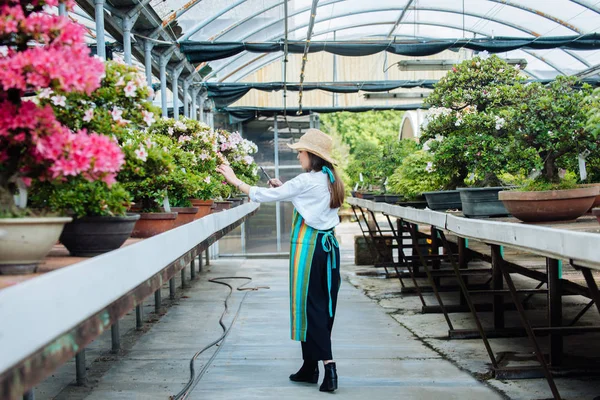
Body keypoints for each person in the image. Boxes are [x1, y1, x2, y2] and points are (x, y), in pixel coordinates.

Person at [217, 128, 344, 392]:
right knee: (322, 306)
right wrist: (285, 189)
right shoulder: (329, 179)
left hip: (310, 250)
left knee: (312, 308)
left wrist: (234, 180)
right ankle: (309, 367)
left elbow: (263, 196)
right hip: (328, 250)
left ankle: (329, 368)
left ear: (312, 155)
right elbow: (307, 202)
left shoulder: (306, 180)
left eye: (301, 152)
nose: (298, 157)